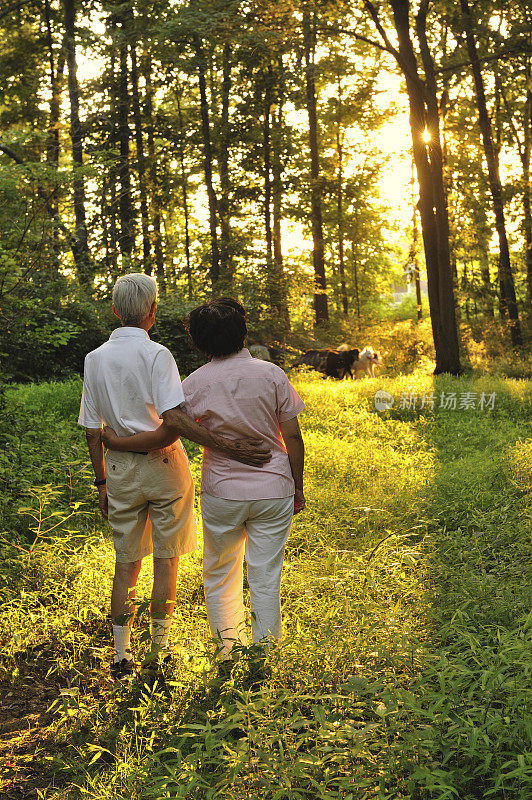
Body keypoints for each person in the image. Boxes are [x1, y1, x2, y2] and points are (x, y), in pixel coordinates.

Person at [78, 275, 270, 681]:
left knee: (125, 561)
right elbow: (172, 424)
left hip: (118, 471)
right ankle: (159, 653)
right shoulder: (158, 354)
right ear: (152, 312)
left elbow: (93, 430)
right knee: (167, 560)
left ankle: (119, 656)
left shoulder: (94, 359)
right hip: (164, 466)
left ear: (115, 310)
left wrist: (102, 482)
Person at [103, 298, 305, 672]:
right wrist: (297, 486)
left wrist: (119, 443)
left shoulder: (193, 385)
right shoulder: (272, 374)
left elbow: (169, 430)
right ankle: (264, 657)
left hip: (222, 492)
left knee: (220, 573)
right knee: (265, 574)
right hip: (274, 487)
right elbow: (291, 436)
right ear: (243, 331)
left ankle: (228, 655)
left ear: (198, 342)